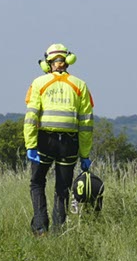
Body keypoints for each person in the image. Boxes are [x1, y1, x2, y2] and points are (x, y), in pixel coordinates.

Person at [23, 43, 94, 234]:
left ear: (47, 63)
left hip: (44, 141)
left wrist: (30, 145)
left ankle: (40, 227)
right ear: (68, 61)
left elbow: (31, 116)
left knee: (37, 182)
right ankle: (58, 231)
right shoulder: (80, 85)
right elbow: (86, 123)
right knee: (62, 188)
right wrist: (85, 154)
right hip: (69, 144)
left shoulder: (39, 83)